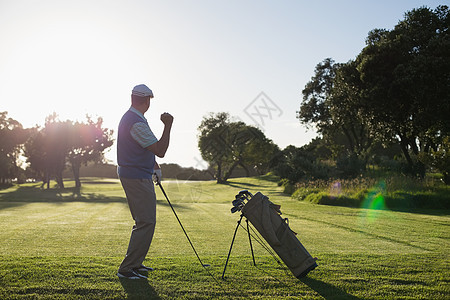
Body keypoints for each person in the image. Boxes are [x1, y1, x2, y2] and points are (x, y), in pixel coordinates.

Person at [116, 84, 173, 279]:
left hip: (137, 173)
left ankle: (136, 263)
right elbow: (160, 150)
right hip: (136, 176)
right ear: (146, 100)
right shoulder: (136, 122)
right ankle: (127, 268)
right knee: (146, 221)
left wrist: (154, 167)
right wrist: (168, 125)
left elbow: (143, 148)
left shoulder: (134, 118)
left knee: (144, 221)